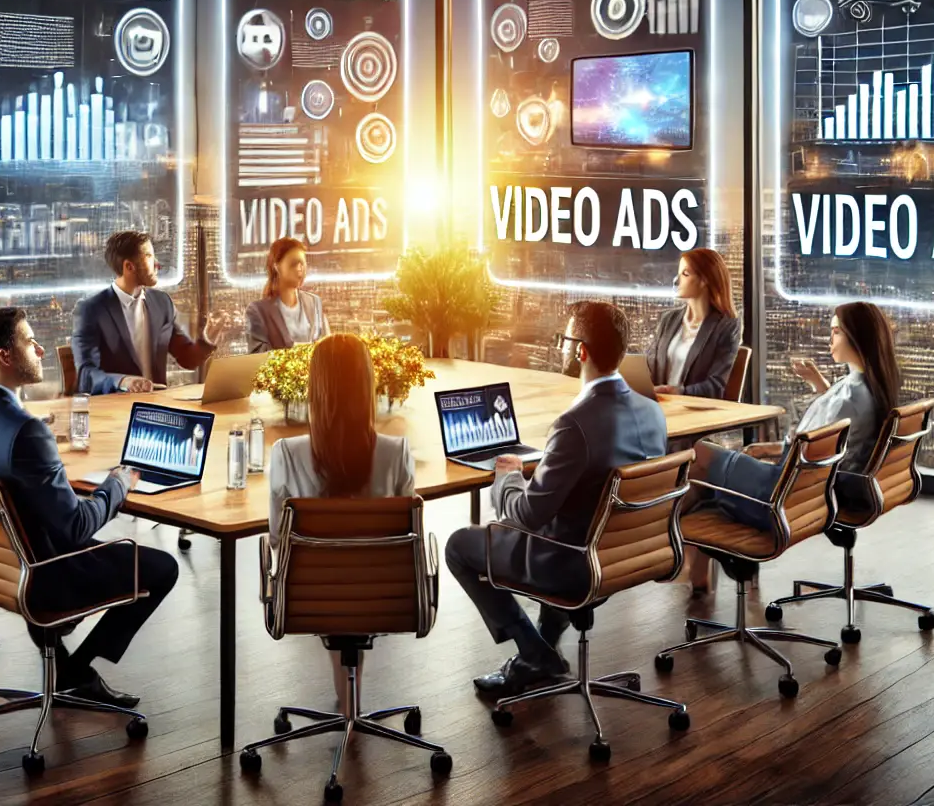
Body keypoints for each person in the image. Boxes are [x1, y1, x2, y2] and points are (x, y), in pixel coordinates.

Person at [0, 306, 179, 708]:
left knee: (75, 542)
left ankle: (68, 668)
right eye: (31, 342)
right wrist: (120, 482)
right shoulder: (27, 430)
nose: (41, 350)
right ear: (5, 356)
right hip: (41, 575)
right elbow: (74, 526)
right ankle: (77, 672)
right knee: (161, 567)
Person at [445, 302, 669, 697]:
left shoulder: (573, 425)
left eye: (565, 340)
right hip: (625, 555)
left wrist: (509, 475)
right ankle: (541, 653)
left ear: (580, 350)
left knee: (460, 544)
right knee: (566, 520)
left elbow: (527, 516)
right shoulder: (652, 412)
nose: (563, 347)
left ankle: (534, 651)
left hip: (574, 565)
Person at [682, 301, 899, 590]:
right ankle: (698, 558)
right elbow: (832, 432)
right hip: (812, 496)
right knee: (707, 474)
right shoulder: (868, 389)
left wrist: (773, 450)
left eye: (836, 332)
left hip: (778, 497)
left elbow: (803, 453)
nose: (829, 339)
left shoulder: (847, 401)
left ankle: (676, 548)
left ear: (856, 337)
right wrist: (820, 387)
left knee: (697, 453)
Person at [266, 333, 415, 710]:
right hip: (384, 596)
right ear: (368, 385)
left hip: (311, 598)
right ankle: (351, 701)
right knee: (358, 572)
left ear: (316, 388)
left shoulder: (286, 453)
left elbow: (275, 538)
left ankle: (348, 700)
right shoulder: (396, 453)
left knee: (332, 577)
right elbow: (404, 535)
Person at [72, 230, 222, 394]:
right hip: (115, 409)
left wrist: (208, 339)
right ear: (129, 266)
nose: (157, 264)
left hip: (157, 406)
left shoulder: (162, 302)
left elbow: (187, 359)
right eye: (149, 256)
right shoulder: (91, 309)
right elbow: (86, 375)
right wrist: (123, 381)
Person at [645, 248, 743, 400]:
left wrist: (679, 392)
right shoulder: (668, 319)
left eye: (685, 274)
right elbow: (648, 367)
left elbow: (716, 385)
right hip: (660, 406)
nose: (677, 280)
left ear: (705, 279)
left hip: (695, 411)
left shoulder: (726, 325)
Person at [245, 237, 330, 352]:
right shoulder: (257, 311)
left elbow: (328, 346)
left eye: (303, 264)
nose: (300, 269)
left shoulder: (315, 302)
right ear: (276, 267)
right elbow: (257, 355)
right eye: (294, 264)